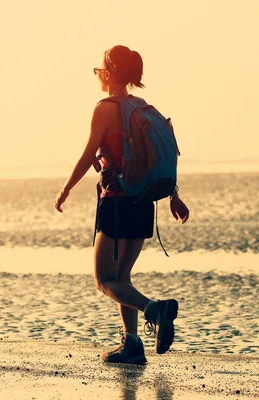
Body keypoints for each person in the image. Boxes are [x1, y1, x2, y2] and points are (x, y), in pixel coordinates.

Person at [54, 45, 190, 364]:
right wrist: (173, 194)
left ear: (112, 73)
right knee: (122, 277)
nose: (98, 75)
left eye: (100, 69)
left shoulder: (105, 108)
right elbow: (157, 155)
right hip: (144, 201)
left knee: (104, 279)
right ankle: (132, 344)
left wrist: (65, 189)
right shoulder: (142, 108)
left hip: (117, 203)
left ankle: (154, 310)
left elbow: (89, 154)